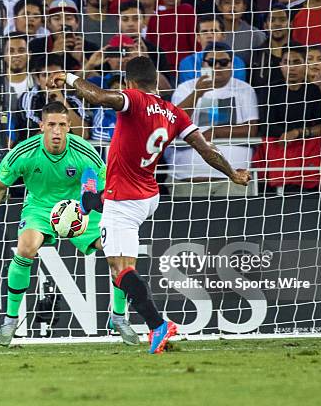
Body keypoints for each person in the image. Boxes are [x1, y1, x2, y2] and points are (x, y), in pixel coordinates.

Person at [49, 56, 251, 353]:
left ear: (130, 83)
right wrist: (232, 173)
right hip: (148, 195)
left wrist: (68, 77)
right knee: (122, 260)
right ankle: (93, 202)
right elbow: (206, 149)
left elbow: (97, 96)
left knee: (120, 269)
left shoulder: (134, 100)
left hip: (125, 198)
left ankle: (157, 325)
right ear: (156, 82)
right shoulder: (174, 112)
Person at [0, 101, 139, 347]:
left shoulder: (85, 151)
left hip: (79, 208)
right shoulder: (23, 152)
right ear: (41, 127)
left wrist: (96, 201)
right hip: (40, 207)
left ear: (69, 126)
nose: (56, 131)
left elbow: (107, 187)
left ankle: (119, 317)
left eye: (61, 125)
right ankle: (10, 319)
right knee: (26, 247)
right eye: (51, 125)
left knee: (117, 252)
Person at [168, 42, 258, 197]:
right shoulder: (185, 88)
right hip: (187, 179)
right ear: (202, 63)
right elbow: (172, 124)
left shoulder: (244, 89)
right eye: (211, 62)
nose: (217, 67)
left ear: (232, 65)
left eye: (223, 62)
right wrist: (197, 93)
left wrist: (216, 132)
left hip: (233, 180)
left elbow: (251, 129)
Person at [254, 46, 321, 192]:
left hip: (306, 158)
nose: (291, 67)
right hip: (276, 158)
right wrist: (291, 135)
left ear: (305, 64)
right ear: (281, 65)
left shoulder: (313, 91)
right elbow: (266, 126)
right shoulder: (269, 89)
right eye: (286, 62)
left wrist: (297, 133)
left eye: (296, 62)